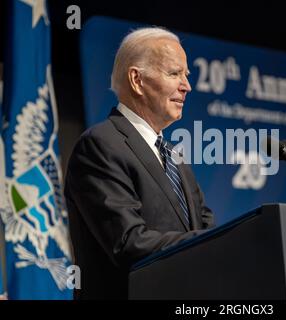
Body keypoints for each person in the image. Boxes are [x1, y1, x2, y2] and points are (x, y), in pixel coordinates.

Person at [64, 27, 215, 300]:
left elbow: (204, 225)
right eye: (174, 73)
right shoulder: (100, 144)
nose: (187, 86)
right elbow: (128, 242)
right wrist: (210, 244)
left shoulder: (174, 156)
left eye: (186, 76)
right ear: (137, 80)